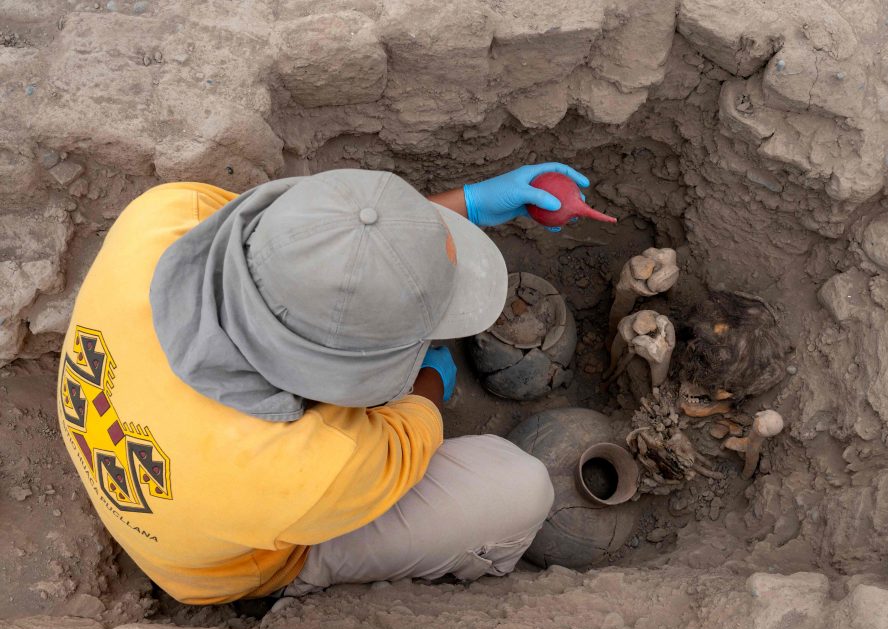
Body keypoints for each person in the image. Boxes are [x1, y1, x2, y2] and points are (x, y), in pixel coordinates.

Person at [56, 163, 590, 604]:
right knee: (518, 488)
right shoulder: (314, 463)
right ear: (342, 371)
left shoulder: (168, 215)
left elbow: (303, 252)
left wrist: (464, 205)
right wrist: (428, 378)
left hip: (147, 456)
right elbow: (404, 437)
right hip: (217, 569)